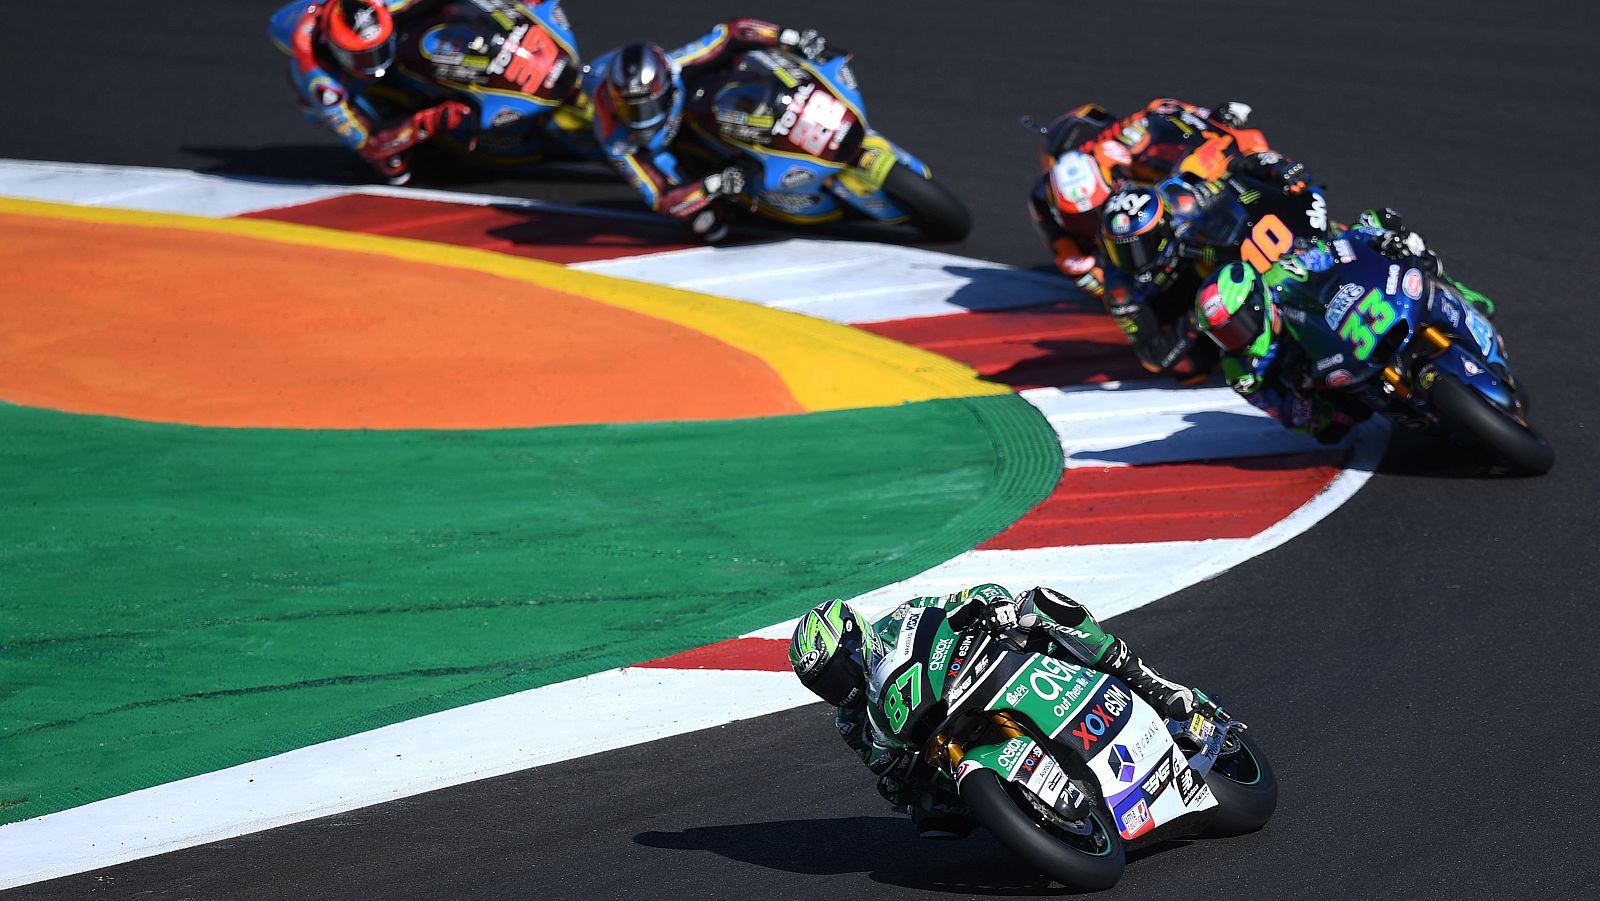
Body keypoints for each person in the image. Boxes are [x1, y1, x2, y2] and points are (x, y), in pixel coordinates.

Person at [788, 584, 1222, 838]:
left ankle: (1147, 680)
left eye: (836, 671)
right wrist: (897, 774)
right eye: (822, 683)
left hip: (984, 670)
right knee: (925, 816)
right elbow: (881, 769)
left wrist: (993, 607)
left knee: (1038, 604)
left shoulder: (901, 617)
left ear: (855, 640)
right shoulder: (851, 721)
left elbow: (970, 596)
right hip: (944, 738)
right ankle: (1024, 813)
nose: (836, 687)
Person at [1026, 99, 1312, 382]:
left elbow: (1167, 115)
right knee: (1195, 365)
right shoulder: (1115, 279)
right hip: (1169, 299)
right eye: (1080, 219)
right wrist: (1197, 314)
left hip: (1180, 242)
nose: (1092, 224)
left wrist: (1220, 128)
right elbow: (1152, 357)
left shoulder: (1139, 178)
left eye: (1093, 214)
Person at [1194, 209, 1497, 443]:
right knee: (1332, 428)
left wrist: (1376, 237)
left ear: (1256, 301)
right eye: (1222, 335)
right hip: (1326, 378)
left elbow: (1334, 250)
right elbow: (1285, 414)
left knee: (1395, 234)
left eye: (1236, 326)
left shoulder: (1283, 274)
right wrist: (1306, 404)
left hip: (1353, 316)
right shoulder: (1241, 371)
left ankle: (1457, 290)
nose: (1234, 340)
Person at [270, 0, 590, 185]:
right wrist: (430, 121)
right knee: (393, 167)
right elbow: (369, 144)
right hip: (354, 89)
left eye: (378, 49)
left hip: (406, 35)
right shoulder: (322, 82)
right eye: (366, 55)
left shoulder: (385, 5)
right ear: (339, 50)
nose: (376, 60)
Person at [582, 20, 830, 242]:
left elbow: (732, 33)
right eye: (631, 111)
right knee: (708, 224)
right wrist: (713, 184)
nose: (640, 118)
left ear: (666, 87)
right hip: (676, 155)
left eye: (647, 107)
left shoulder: (678, 64)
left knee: (765, 60)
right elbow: (662, 199)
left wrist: (785, 37)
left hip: (717, 107)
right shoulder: (617, 143)